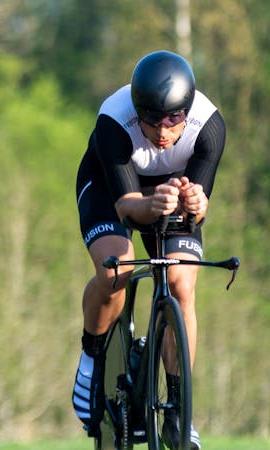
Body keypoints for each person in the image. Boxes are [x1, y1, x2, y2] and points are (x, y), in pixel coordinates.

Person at [72, 50, 225, 450]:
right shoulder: (113, 121)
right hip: (112, 189)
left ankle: (178, 410)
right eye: (152, 120)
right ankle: (91, 359)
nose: (162, 130)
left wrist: (196, 201)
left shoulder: (208, 127)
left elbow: (202, 203)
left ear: (187, 111)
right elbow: (126, 207)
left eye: (173, 119)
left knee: (181, 284)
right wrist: (150, 201)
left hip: (170, 195)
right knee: (116, 271)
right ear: (137, 110)